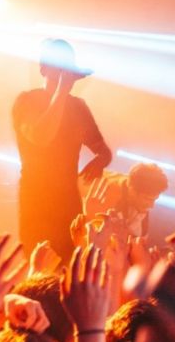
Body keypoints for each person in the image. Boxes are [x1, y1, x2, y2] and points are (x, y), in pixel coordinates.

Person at [12, 39, 112, 259]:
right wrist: (62, 90)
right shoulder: (27, 101)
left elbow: (103, 150)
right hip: (37, 201)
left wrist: (101, 159)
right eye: (58, 67)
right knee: (42, 269)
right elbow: (41, 137)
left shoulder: (78, 107)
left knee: (72, 264)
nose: (63, 74)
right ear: (43, 68)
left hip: (69, 201)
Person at [82, 163, 169, 237]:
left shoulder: (137, 184)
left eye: (154, 200)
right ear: (132, 190)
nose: (151, 205)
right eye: (147, 199)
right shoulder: (106, 197)